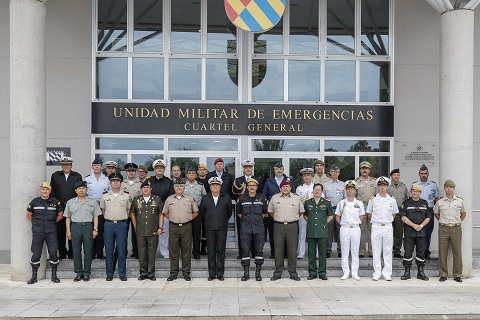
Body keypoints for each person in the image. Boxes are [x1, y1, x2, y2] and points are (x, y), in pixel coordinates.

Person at [26, 182, 64, 284]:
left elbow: (60, 214)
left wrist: (51, 223)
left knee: (53, 252)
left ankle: (54, 275)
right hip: (38, 232)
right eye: (43, 189)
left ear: (50, 191)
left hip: (51, 232)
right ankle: (34, 276)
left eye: (47, 189)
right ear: (40, 191)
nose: (45, 191)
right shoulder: (34, 202)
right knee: (36, 253)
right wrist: (36, 224)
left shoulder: (55, 202)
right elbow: (29, 215)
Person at [162, 178, 199, 281]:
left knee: (186, 251)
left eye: (181, 186)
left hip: (186, 227)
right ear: (174, 187)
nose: (179, 187)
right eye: (177, 186)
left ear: (184, 187)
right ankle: (173, 273)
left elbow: (195, 212)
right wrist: (173, 219)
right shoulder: (169, 199)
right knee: (173, 251)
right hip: (173, 227)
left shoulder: (190, 199)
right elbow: (165, 212)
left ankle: (186, 272)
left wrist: (187, 219)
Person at [64, 181, 101, 282]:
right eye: (79, 189)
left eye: (83, 188)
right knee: (76, 251)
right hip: (75, 227)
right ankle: (78, 272)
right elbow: (67, 217)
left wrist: (95, 229)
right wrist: (68, 231)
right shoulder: (70, 202)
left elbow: (96, 216)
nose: (81, 190)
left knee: (88, 251)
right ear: (75, 191)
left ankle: (87, 273)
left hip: (88, 226)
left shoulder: (92, 202)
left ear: (86, 190)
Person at [268, 179, 304, 281]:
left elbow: (301, 211)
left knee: (292, 250)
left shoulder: (296, 198)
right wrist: (278, 218)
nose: (285, 188)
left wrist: (292, 217)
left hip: (292, 226)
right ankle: (278, 273)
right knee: (278, 250)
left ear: (290, 188)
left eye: (287, 186)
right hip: (278, 226)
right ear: (280, 188)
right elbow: (270, 211)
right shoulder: (275, 198)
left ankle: (293, 273)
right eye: (283, 186)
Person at [199, 177, 232, 281]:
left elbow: (229, 212)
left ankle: (220, 273)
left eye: (217, 185)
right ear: (210, 187)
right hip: (209, 228)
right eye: (213, 185)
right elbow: (202, 213)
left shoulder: (226, 198)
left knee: (221, 251)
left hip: (222, 227)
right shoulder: (205, 198)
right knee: (211, 251)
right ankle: (212, 273)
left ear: (220, 187)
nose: (215, 186)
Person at [366, 176, 399, 281]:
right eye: (380, 185)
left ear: (388, 187)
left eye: (384, 185)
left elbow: (394, 214)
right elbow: (369, 213)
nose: (382, 188)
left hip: (388, 226)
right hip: (376, 226)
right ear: (377, 187)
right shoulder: (373, 200)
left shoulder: (392, 200)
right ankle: (377, 272)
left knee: (388, 250)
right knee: (376, 251)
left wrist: (386, 220)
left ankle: (387, 272)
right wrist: (377, 221)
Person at [130, 180, 163, 281]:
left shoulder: (157, 199)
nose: (146, 189)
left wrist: (160, 227)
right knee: (142, 252)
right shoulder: (136, 199)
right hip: (140, 230)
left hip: (153, 230)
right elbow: (132, 213)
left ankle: (151, 273)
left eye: (148, 188)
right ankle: (143, 273)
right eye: (144, 188)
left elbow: (161, 214)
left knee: (151, 252)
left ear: (151, 189)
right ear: (141, 189)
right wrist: (135, 226)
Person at [50, 156, 82, 259]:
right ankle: (62, 252)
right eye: (64, 165)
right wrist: (55, 206)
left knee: (72, 230)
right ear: (61, 166)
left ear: (71, 165)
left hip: (74, 207)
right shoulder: (55, 176)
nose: (66, 166)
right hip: (60, 207)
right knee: (60, 231)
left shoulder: (77, 176)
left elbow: (81, 191)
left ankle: (72, 252)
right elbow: (52, 192)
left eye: (68, 165)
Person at [100, 173, 131, 281]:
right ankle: (109, 274)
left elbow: (128, 210)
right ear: (110, 183)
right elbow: (103, 211)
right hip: (108, 224)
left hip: (121, 224)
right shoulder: (105, 196)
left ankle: (122, 273)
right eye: (113, 181)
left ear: (121, 183)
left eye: (117, 181)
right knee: (109, 250)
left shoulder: (126, 196)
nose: (115, 183)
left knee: (122, 250)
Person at [434, 180, 466, 282]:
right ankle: (443, 274)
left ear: (454, 188)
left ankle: (457, 274)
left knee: (457, 252)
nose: (449, 189)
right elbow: (437, 214)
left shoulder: (460, 201)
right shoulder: (440, 202)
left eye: (451, 187)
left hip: (456, 228)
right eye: (447, 187)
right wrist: (443, 221)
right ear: (444, 188)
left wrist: (457, 221)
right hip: (443, 228)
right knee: (443, 252)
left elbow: (463, 213)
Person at [236, 178, 268, 281]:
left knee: (258, 250)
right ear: (247, 187)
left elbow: (264, 213)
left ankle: (258, 273)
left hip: (258, 228)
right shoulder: (242, 198)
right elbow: (239, 213)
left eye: (254, 185)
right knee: (245, 250)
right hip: (246, 228)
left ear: (257, 187)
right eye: (250, 185)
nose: (252, 187)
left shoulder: (262, 198)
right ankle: (246, 273)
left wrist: (256, 220)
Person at [262, 162, 296, 259]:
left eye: (280, 169)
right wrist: (267, 211)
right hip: (273, 212)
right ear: (274, 170)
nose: (279, 170)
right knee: (274, 233)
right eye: (277, 169)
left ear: (283, 170)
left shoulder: (289, 181)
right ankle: (274, 252)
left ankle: (286, 252)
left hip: (287, 211)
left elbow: (293, 195)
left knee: (286, 233)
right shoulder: (269, 181)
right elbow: (264, 197)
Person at [399, 183, 430, 281]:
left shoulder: (424, 203)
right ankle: (407, 272)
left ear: (420, 192)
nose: (415, 193)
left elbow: (428, 217)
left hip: (421, 232)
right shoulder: (406, 203)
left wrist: (420, 226)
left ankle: (420, 272)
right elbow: (403, 217)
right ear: (411, 192)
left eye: (417, 191)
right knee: (408, 252)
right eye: (413, 191)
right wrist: (414, 226)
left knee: (421, 252)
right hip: (409, 232)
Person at [336, 180, 365, 280]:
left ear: (355, 191)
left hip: (355, 228)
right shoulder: (341, 203)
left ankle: (354, 272)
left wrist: (355, 222)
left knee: (355, 251)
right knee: (344, 251)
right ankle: (345, 272)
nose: (350, 191)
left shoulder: (359, 203)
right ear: (346, 190)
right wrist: (343, 224)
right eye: (348, 189)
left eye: (352, 189)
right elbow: (337, 217)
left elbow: (362, 216)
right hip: (345, 228)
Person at [233, 159, 262, 259]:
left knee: (255, 232)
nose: (248, 169)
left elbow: (260, 195)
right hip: (242, 209)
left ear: (252, 169)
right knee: (242, 232)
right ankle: (242, 253)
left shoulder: (258, 179)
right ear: (243, 169)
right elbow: (234, 194)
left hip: (255, 209)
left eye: (249, 167)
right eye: (246, 167)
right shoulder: (238, 180)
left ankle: (254, 253)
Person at [304, 183, 333, 280]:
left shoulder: (326, 203)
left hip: (322, 231)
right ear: (312, 191)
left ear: (322, 192)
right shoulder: (308, 203)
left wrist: (324, 223)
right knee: (311, 252)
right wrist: (310, 222)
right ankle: (312, 272)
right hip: (311, 230)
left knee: (322, 253)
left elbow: (330, 216)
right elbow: (305, 215)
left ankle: (322, 272)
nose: (317, 191)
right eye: (315, 189)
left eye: (319, 190)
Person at [148, 159, 174, 259]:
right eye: (157, 168)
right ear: (154, 170)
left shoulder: (169, 181)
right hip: (150, 210)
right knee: (150, 232)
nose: (159, 169)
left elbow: (171, 196)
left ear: (164, 169)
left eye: (161, 168)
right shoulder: (149, 180)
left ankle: (164, 252)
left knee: (164, 232)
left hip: (164, 210)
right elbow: (145, 193)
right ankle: (151, 252)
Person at [413, 164, 439, 259]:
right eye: (421, 173)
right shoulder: (415, 185)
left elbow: (436, 199)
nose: (423, 175)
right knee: (417, 232)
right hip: (417, 211)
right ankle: (419, 252)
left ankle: (426, 252)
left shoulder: (433, 185)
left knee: (428, 232)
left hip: (429, 211)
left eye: (425, 173)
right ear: (419, 174)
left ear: (428, 174)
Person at [85, 158, 110, 259]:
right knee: (90, 229)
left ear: (101, 167)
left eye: (98, 165)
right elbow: (83, 193)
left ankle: (100, 252)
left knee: (101, 229)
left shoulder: (106, 179)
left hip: (102, 206)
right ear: (92, 167)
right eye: (95, 165)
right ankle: (91, 252)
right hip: (90, 206)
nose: (96, 167)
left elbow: (109, 193)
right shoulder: (87, 179)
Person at [355, 161, 377, 258]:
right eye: (363, 168)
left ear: (369, 170)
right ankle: (362, 251)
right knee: (361, 230)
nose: (364, 170)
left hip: (372, 208)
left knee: (372, 230)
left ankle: (372, 251)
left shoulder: (374, 181)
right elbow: (354, 196)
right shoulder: (356, 182)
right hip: (361, 207)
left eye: (366, 168)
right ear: (360, 170)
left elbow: (377, 196)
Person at [323, 164, 346, 258]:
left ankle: (340, 250)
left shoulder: (343, 184)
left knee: (340, 231)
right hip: (329, 210)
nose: (334, 173)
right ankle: (328, 250)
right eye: (333, 171)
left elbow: (345, 198)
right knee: (328, 231)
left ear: (339, 173)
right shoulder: (325, 184)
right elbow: (323, 198)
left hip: (340, 210)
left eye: (336, 171)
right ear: (330, 173)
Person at [184, 168, 206, 259]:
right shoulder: (183, 185)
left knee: (196, 233)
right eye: (189, 173)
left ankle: (196, 252)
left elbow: (204, 198)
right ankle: (185, 253)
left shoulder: (200, 185)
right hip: (185, 211)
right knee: (185, 234)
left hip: (197, 211)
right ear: (186, 175)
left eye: (193, 173)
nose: (191, 175)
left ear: (196, 175)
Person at [121, 162, 141, 259]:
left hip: (136, 212)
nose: (131, 173)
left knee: (136, 232)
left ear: (135, 172)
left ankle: (136, 252)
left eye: (133, 171)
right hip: (124, 212)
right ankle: (123, 252)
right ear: (126, 172)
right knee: (123, 233)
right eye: (129, 171)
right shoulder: (121, 184)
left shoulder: (140, 184)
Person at [388, 168, 409, 258]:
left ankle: (397, 251)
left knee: (398, 232)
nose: (396, 176)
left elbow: (407, 198)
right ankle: (388, 250)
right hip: (389, 211)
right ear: (391, 176)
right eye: (394, 175)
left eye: (398, 175)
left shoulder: (403, 186)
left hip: (400, 211)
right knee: (388, 232)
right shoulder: (387, 186)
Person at [295, 168, 314, 259]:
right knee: (302, 233)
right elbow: (297, 201)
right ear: (303, 177)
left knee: (314, 234)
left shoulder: (316, 187)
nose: (307, 177)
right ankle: (301, 252)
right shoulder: (299, 188)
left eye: (308, 175)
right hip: (303, 213)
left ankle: (314, 252)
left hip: (314, 213)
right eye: (305, 175)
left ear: (312, 176)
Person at [196, 163, 210, 255]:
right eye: (200, 169)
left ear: (206, 171)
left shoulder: (210, 181)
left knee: (206, 228)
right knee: (196, 229)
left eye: (203, 169)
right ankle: (196, 249)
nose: (202, 171)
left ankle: (203, 248)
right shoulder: (195, 181)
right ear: (197, 172)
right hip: (196, 208)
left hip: (207, 208)